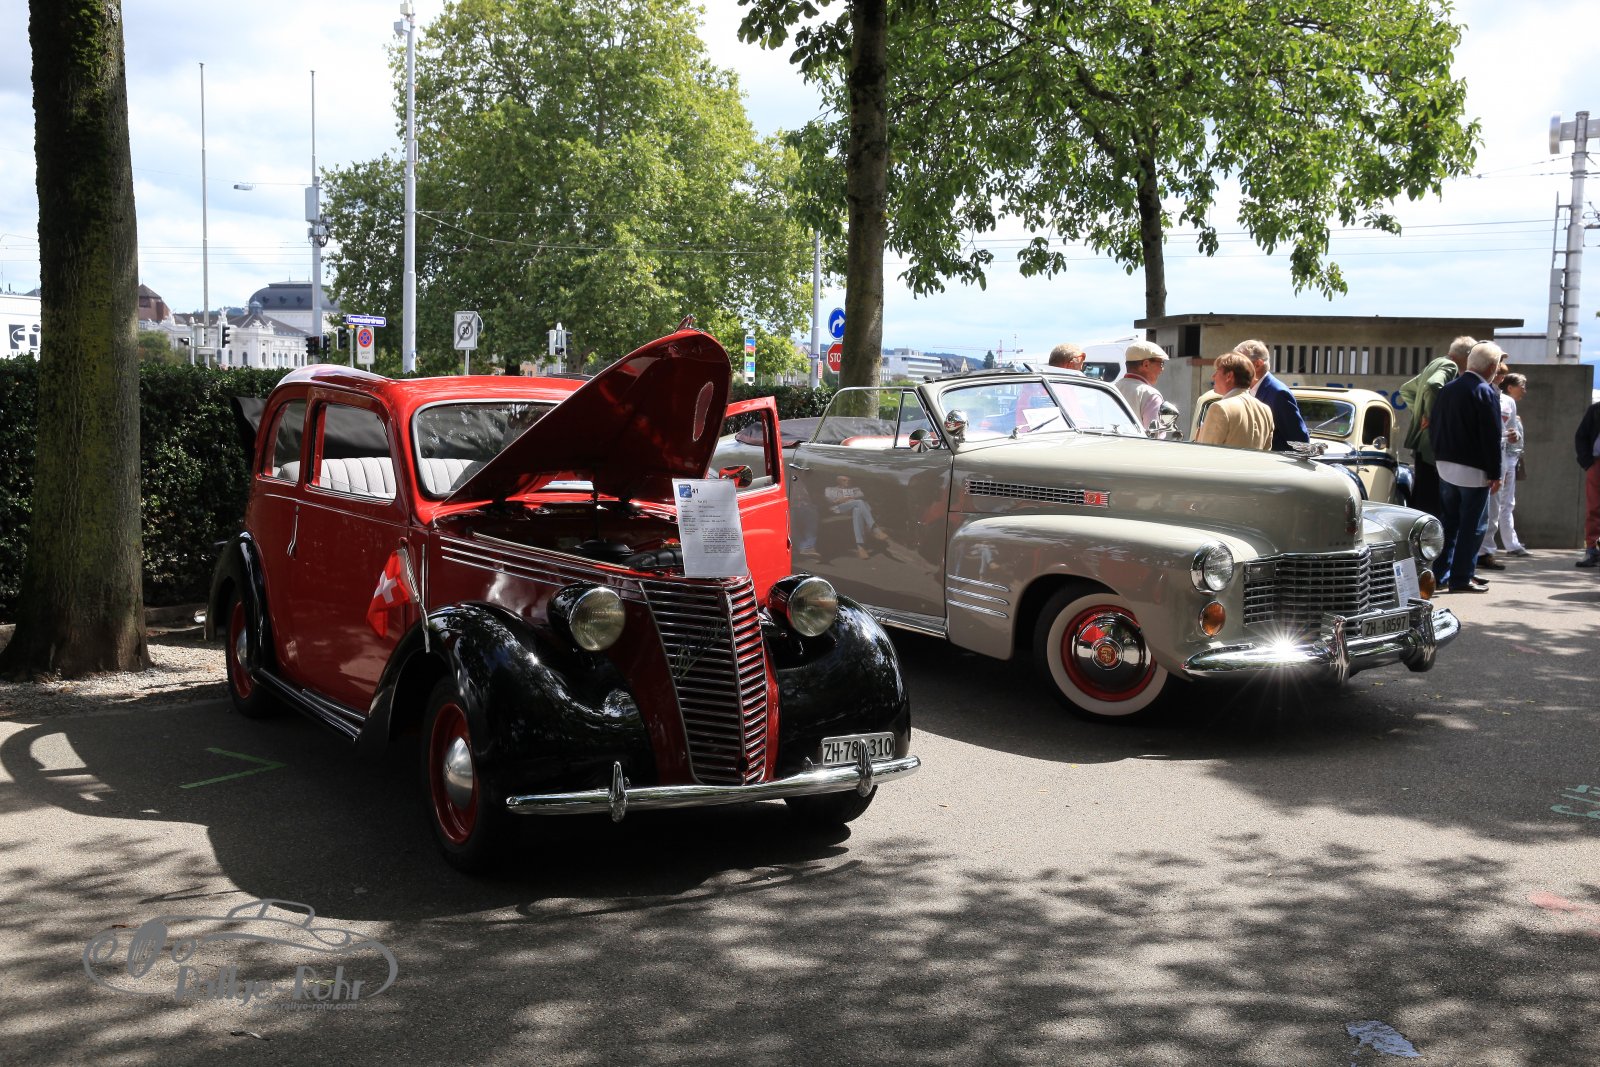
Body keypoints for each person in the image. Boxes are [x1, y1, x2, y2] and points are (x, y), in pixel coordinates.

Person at [1429, 342, 1503, 593]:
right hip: (1473, 469)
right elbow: (1491, 436)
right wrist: (1495, 473)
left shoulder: (1449, 389)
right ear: (1491, 367)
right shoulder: (1485, 391)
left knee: (1449, 523)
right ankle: (1462, 577)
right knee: (1473, 526)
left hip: (1445, 465)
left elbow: (1434, 425)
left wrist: (1439, 456)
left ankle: (1441, 574)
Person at [1399, 336, 1475, 520]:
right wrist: (1432, 416)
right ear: (1466, 356)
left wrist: (1421, 414)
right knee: (1432, 501)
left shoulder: (1436, 363)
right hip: (1432, 444)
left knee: (1422, 496)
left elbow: (1406, 389)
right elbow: (1434, 385)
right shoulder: (1450, 366)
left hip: (1423, 443)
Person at [1234, 339, 1308, 451]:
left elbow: (1300, 441)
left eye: (1240, 364)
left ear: (1257, 364)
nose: (1234, 370)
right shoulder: (1247, 390)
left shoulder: (1278, 393)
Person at [1195, 352, 1273, 450]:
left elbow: (1205, 452)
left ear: (1229, 376)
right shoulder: (1265, 410)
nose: (1213, 376)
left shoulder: (1219, 408)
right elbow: (1266, 453)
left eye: (1217, 371)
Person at [1491, 373, 1529, 558]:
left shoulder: (1510, 405)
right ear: (1510, 387)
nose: (1524, 390)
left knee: (1506, 502)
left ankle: (1510, 543)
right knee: (1503, 503)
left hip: (1510, 458)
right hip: (1504, 458)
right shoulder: (1500, 403)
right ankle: (1509, 545)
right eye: (1522, 386)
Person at [824, 475, 887, 560]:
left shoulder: (856, 489)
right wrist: (839, 500)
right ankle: (875, 529)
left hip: (854, 508)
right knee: (859, 503)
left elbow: (861, 496)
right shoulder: (830, 489)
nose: (847, 482)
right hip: (839, 508)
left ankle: (861, 548)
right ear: (838, 481)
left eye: (849, 480)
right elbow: (829, 501)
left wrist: (849, 498)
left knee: (858, 510)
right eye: (844, 480)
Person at [1116, 340, 1169, 429]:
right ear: (1146, 364)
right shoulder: (1150, 395)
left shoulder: (1111, 389)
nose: (1162, 369)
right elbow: (1155, 434)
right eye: (1161, 364)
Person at [1576, 398, 1600, 568]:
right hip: (1596, 464)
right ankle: (1592, 549)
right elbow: (1581, 436)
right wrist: (1587, 463)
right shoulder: (1596, 409)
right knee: (1594, 507)